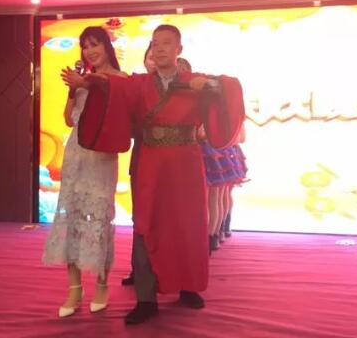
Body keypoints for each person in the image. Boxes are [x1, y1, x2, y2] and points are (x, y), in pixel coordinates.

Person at [62, 24, 244, 325]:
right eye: (155, 43)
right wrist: (88, 81)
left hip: (186, 163)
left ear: (179, 49)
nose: (159, 48)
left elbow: (227, 87)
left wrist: (209, 85)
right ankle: (146, 298)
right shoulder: (139, 83)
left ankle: (189, 286)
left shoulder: (193, 81)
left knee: (188, 222)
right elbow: (112, 85)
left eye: (166, 43)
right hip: (149, 160)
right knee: (145, 224)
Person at [42, 26, 126, 318]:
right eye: (85, 46)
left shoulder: (119, 80)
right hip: (76, 154)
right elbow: (68, 120)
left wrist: (87, 84)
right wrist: (73, 88)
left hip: (101, 157)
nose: (90, 51)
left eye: (95, 44)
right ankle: (74, 289)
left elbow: (115, 107)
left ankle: (102, 285)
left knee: (99, 219)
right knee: (73, 218)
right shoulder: (81, 80)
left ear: (107, 47)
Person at [122, 44, 157, 287]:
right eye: (150, 55)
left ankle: (170, 274)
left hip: (173, 164)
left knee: (170, 218)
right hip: (142, 157)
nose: (154, 59)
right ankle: (140, 271)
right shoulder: (136, 88)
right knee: (140, 218)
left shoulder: (179, 86)